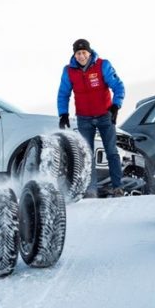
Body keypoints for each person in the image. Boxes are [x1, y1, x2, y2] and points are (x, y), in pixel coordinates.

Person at [57, 38, 126, 198]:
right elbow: (63, 93)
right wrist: (63, 113)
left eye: (84, 52)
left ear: (89, 52)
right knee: (87, 154)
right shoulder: (69, 71)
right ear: (74, 55)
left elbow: (118, 86)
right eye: (78, 53)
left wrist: (116, 105)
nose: (81, 56)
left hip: (105, 116)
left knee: (111, 151)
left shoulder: (103, 65)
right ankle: (91, 191)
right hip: (84, 118)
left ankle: (118, 187)